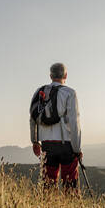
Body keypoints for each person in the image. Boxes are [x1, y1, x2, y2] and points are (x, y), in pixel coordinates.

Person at [29, 63, 82, 191]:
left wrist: (35, 141)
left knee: (48, 185)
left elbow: (33, 117)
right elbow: (75, 123)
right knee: (70, 185)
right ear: (66, 75)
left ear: (50, 76)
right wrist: (77, 149)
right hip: (66, 144)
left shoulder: (40, 91)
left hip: (46, 144)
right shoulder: (70, 93)